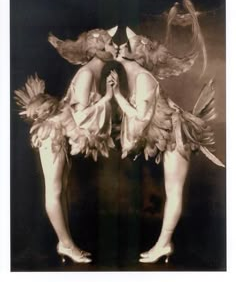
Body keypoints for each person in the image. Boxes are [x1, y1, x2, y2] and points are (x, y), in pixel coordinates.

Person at [107, 24, 224, 264]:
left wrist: (117, 95)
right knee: (172, 190)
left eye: (125, 45)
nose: (118, 47)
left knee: (173, 190)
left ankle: (164, 244)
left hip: (175, 135)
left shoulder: (142, 78)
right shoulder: (135, 76)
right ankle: (163, 244)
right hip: (167, 134)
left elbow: (140, 119)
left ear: (137, 55)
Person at [14, 26, 118, 264]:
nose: (116, 47)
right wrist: (108, 99)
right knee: (55, 190)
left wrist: (108, 98)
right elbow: (81, 116)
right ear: (97, 49)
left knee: (60, 189)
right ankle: (66, 244)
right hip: (53, 134)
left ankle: (67, 243)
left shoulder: (93, 73)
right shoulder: (87, 75)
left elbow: (80, 117)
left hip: (62, 134)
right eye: (111, 43)